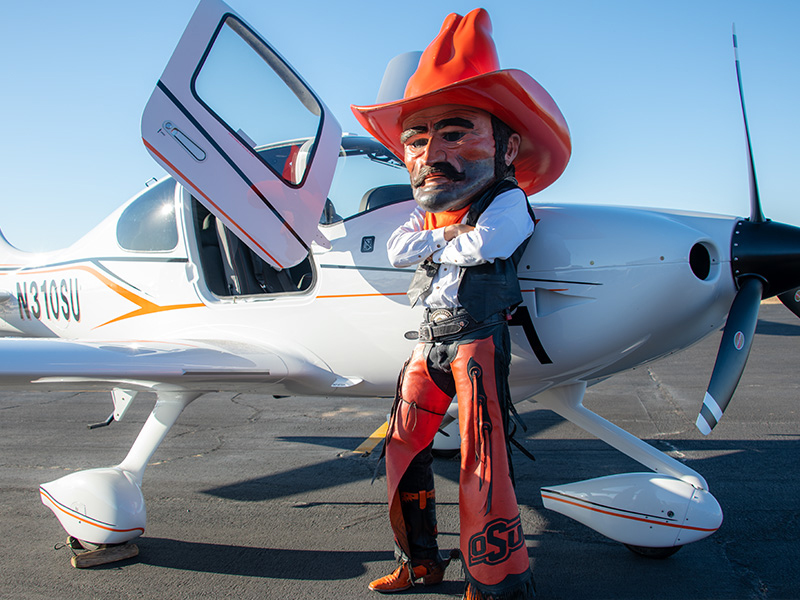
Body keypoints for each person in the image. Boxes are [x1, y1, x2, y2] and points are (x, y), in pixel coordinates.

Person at [351, 8, 571, 599]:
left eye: (454, 133)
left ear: (508, 146)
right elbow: (400, 249)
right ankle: (419, 560)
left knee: (484, 456)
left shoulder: (506, 201)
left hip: (476, 339)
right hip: (429, 343)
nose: (429, 153)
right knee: (400, 447)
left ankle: (494, 580)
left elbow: (489, 243)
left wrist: (439, 240)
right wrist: (448, 239)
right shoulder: (426, 212)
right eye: (416, 139)